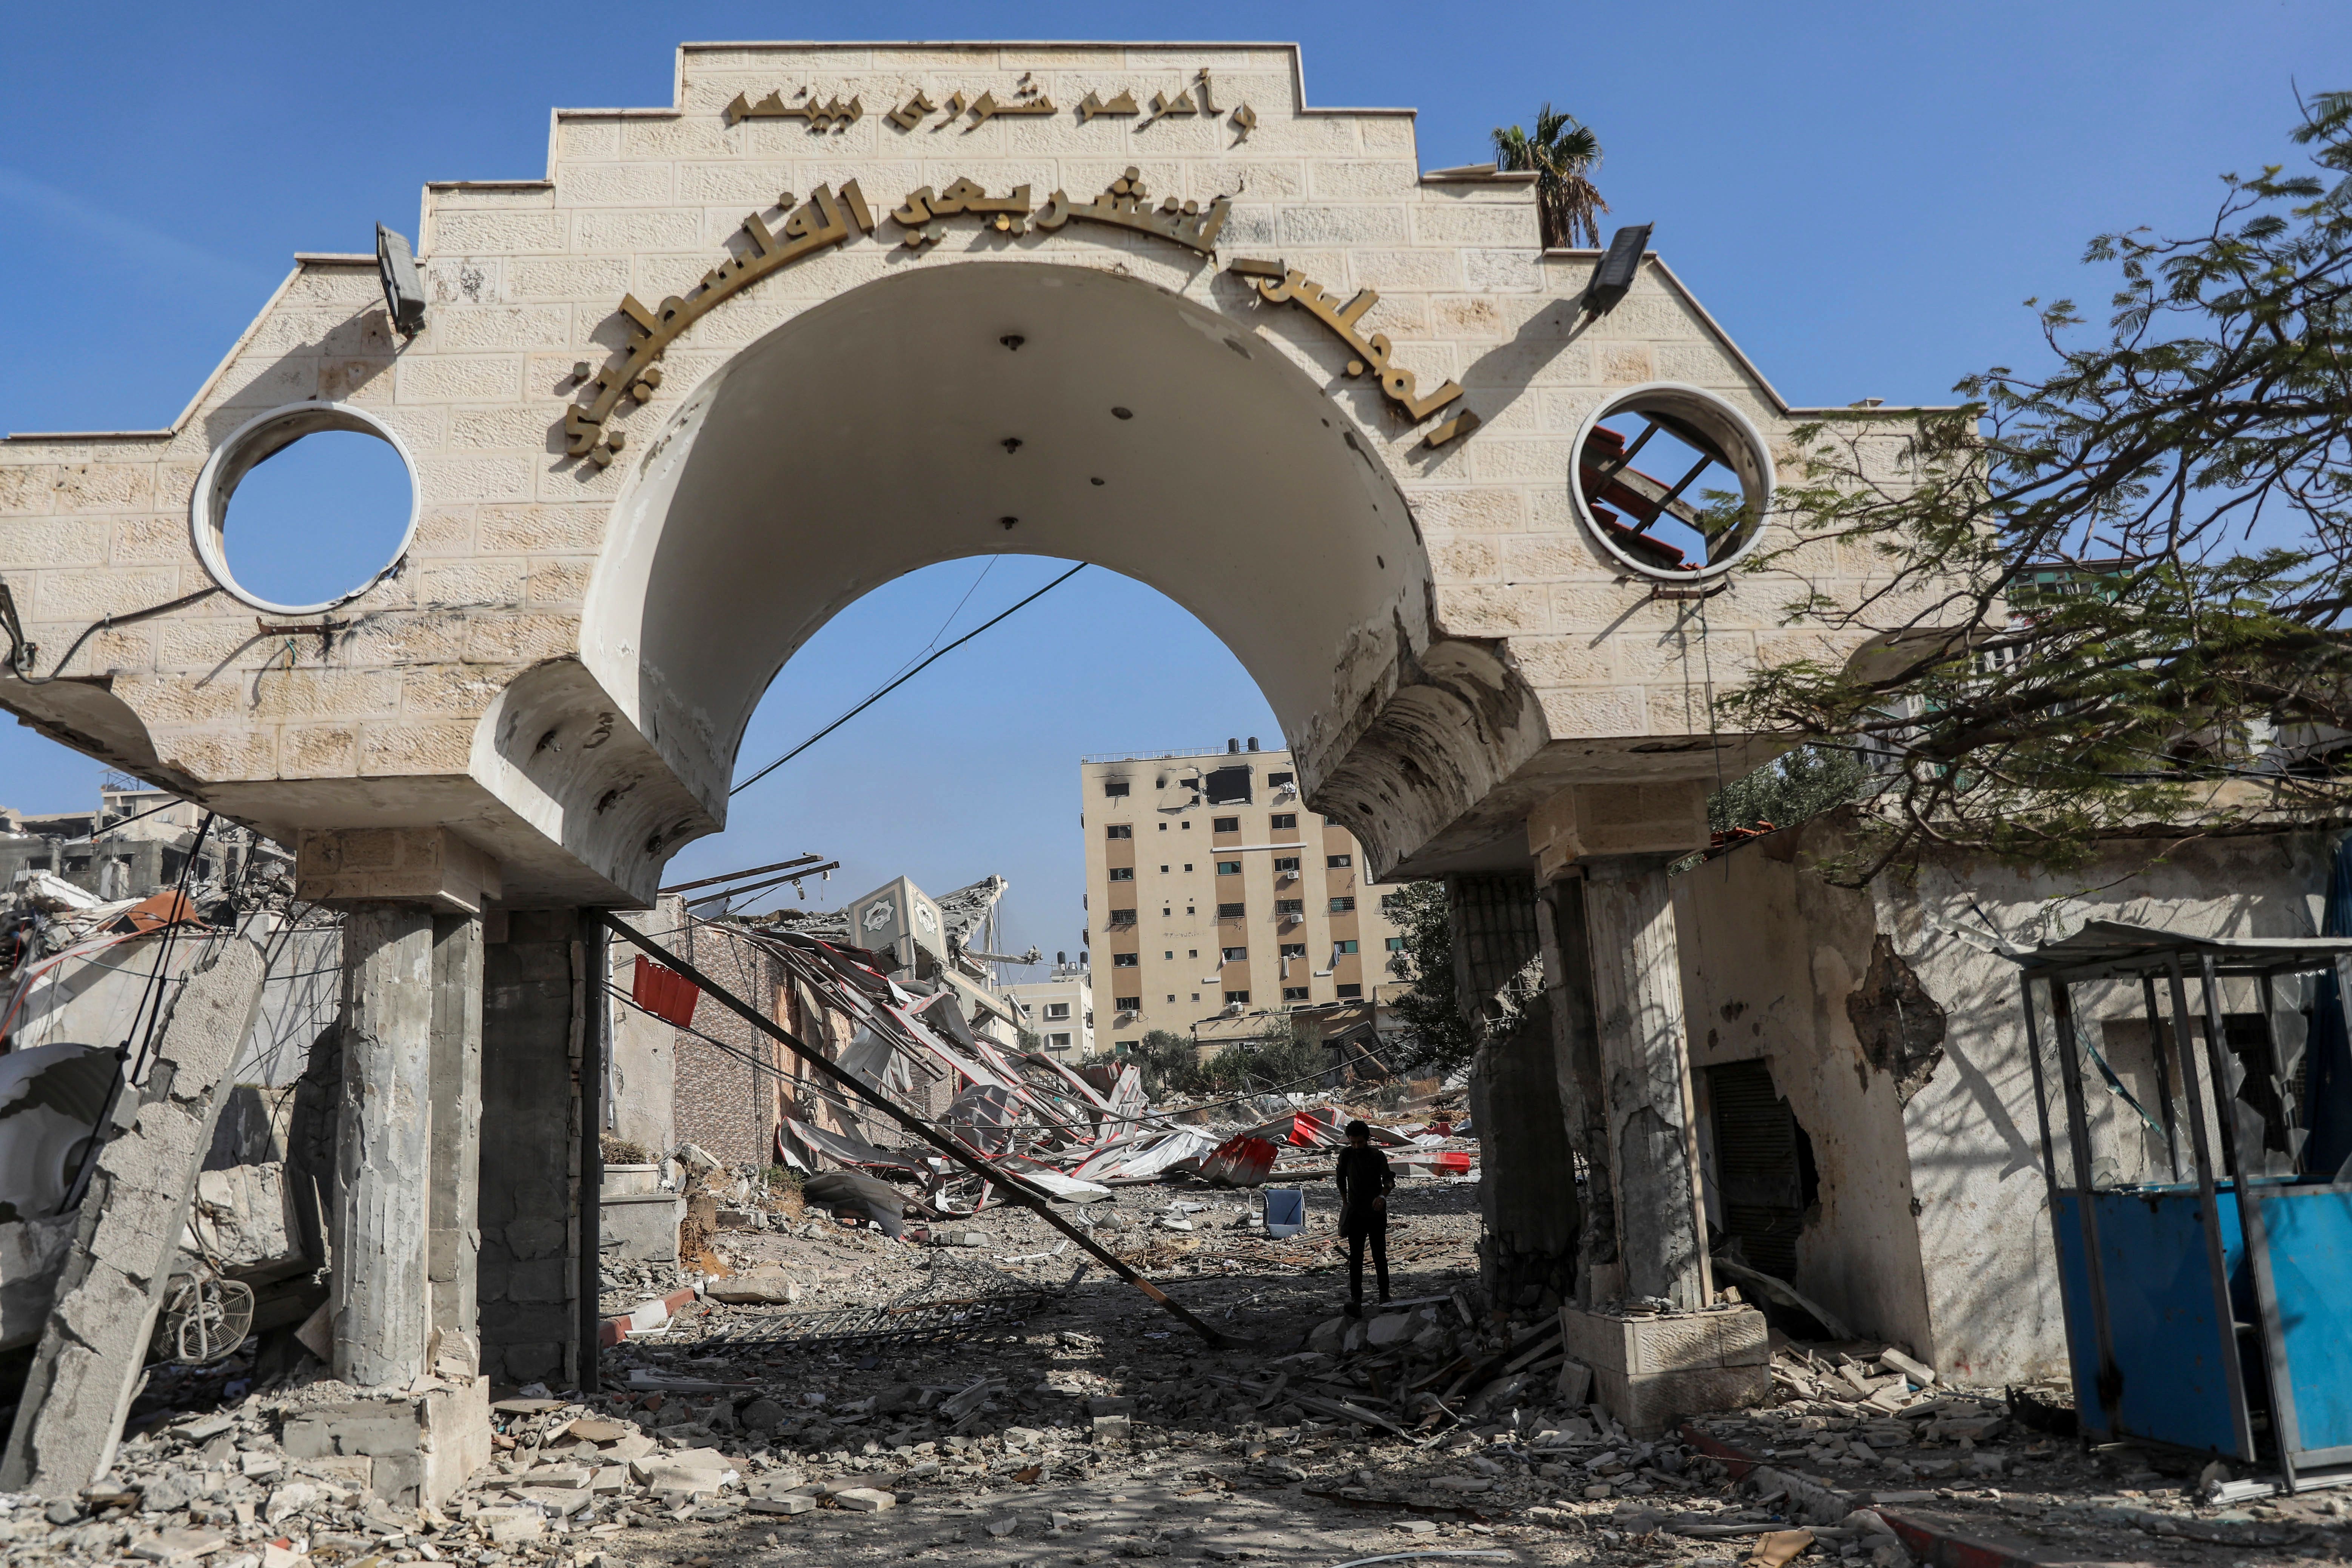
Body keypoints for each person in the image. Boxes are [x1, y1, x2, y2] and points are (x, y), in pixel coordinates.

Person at [1335, 1118, 1393, 1314]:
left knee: (1379, 1255)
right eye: (1353, 1142)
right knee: (1356, 1258)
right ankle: (1356, 1299)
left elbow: (1389, 1180)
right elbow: (1340, 1179)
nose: (1357, 1146)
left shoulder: (1377, 1156)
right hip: (1356, 1213)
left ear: (1367, 1140)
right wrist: (1345, 1203)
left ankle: (1384, 1295)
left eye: (1360, 1142)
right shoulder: (1347, 1155)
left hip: (1376, 1213)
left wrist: (1382, 1197)